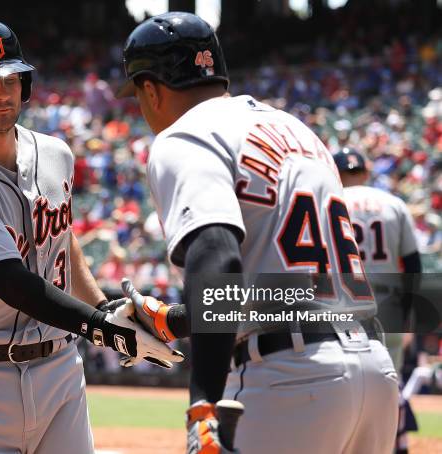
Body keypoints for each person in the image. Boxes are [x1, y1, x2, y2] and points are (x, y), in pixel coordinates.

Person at [115, 12, 399, 454]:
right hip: (372, 371)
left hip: (289, 380)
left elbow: (217, 255)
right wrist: (174, 321)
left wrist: (203, 402)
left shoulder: (184, 136)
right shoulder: (296, 130)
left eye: (137, 93)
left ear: (150, 88)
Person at [0, 19, 182, 454]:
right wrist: (105, 330)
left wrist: (107, 308)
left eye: (10, 79)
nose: (2, 93)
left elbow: (62, 241)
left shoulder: (55, 154)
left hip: (59, 368)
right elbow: (13, 283)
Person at [334, 147, 422, 454]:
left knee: (341, 381)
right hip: (388, 306)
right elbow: (412, 265)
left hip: (341, 305)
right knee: (390, 385)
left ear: (336, 172)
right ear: (366, 173)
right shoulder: (394, 204)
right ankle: (395, 445)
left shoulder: (329, 200)